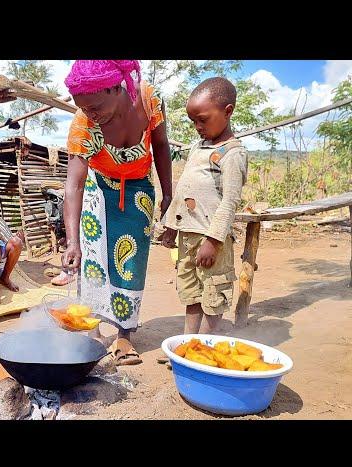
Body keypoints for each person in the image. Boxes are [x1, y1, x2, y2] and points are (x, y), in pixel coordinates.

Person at [62, 60, 173, 366]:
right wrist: (72, 242)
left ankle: (125, 336)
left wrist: (168, 195)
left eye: (95, 106)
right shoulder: (83, 123)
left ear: (116, 87)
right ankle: (93, 333)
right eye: (83, 108)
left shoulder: (149, 99)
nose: (90, 114)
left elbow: (161, 146)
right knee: (93, 261)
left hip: (139, 191)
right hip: (98, 191)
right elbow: (74, 184)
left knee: (131, 263)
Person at [160, 77, 248, 337]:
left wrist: (213, 241)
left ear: (228, 111)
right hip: (188, 237)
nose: (197, 126)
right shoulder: (198, 147)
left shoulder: (233, 153)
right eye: (193, 121)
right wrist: (172, 227)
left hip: (212, 239)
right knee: (192, 292)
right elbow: (185, 192)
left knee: (213, 291)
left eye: (203, 119)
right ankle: (189, 343)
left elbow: (230, 202)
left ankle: (206, 345)